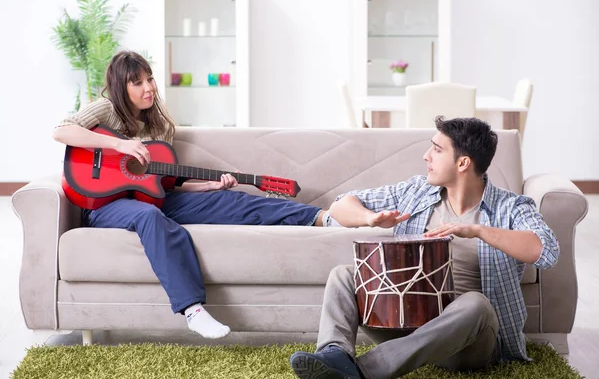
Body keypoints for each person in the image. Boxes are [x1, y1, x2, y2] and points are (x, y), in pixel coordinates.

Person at [53, 51, 326, 340]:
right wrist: (119, 146)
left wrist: (205, 187)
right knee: (149, 216)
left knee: (230, 200)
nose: (149, 88)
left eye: (150, 79)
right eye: (138, 83)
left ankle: (320, 217)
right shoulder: (106, 110)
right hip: (105, 205)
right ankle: (193, 310)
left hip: (152, 198)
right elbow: (61, 131)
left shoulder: (161, 126)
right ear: (122, 87)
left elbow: (161, 184)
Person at [290, 116, 559, 379]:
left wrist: (476, 231)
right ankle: (334, 354)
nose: (426, 156)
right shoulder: (415, 191)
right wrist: (369, 218)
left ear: (463, 163)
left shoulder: (511, 207)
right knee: (344, 275)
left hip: (471, 341)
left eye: (437, 149)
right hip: (406, 324)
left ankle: (363, 370)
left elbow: (546, 251)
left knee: (476, 305)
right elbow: (340, 205)